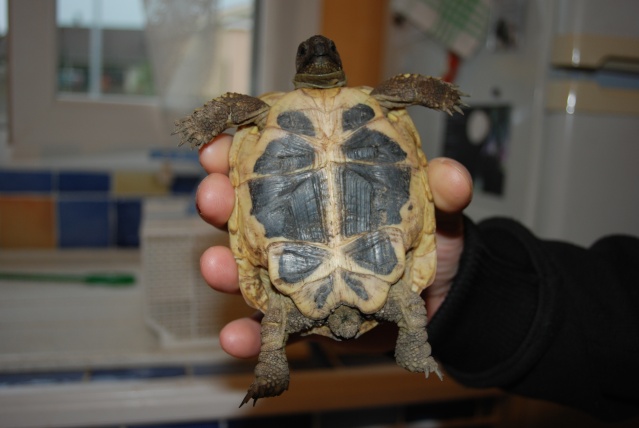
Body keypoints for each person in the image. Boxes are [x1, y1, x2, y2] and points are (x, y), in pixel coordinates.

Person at [195, 134, 639, 422]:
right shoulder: (385, 299)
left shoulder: (292, 310)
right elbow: (409, 302)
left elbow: (276, 322)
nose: (347, 328)